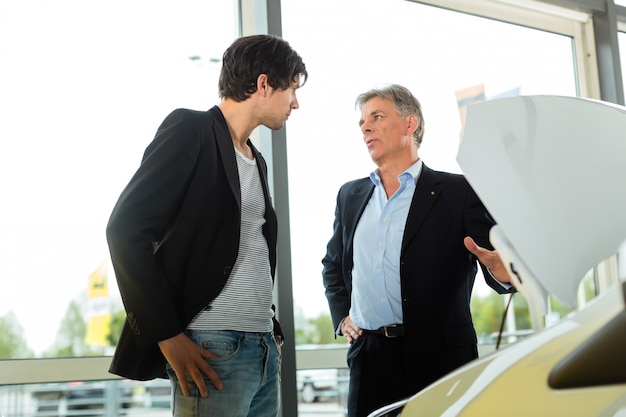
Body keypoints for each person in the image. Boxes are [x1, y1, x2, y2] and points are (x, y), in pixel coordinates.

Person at [106, 34, 307, 417]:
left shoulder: (255, 160)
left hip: (262, 349)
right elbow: (125, 230)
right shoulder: (190, 130)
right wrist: (167, 335)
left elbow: (243, 248)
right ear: (264, 84)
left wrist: (270, 330)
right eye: (292, 89)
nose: (296, 103)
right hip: (213, 350)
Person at [321, 84, 514, 417]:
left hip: (440, 360)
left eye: (377, 117)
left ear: (410, 125)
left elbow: (495, 262)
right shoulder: (349, 195)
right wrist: (343, 317)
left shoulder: (458, 191)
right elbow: (333, 265)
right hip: (369, 360)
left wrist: (504, 272)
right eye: (362, 122)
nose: (365, 127)